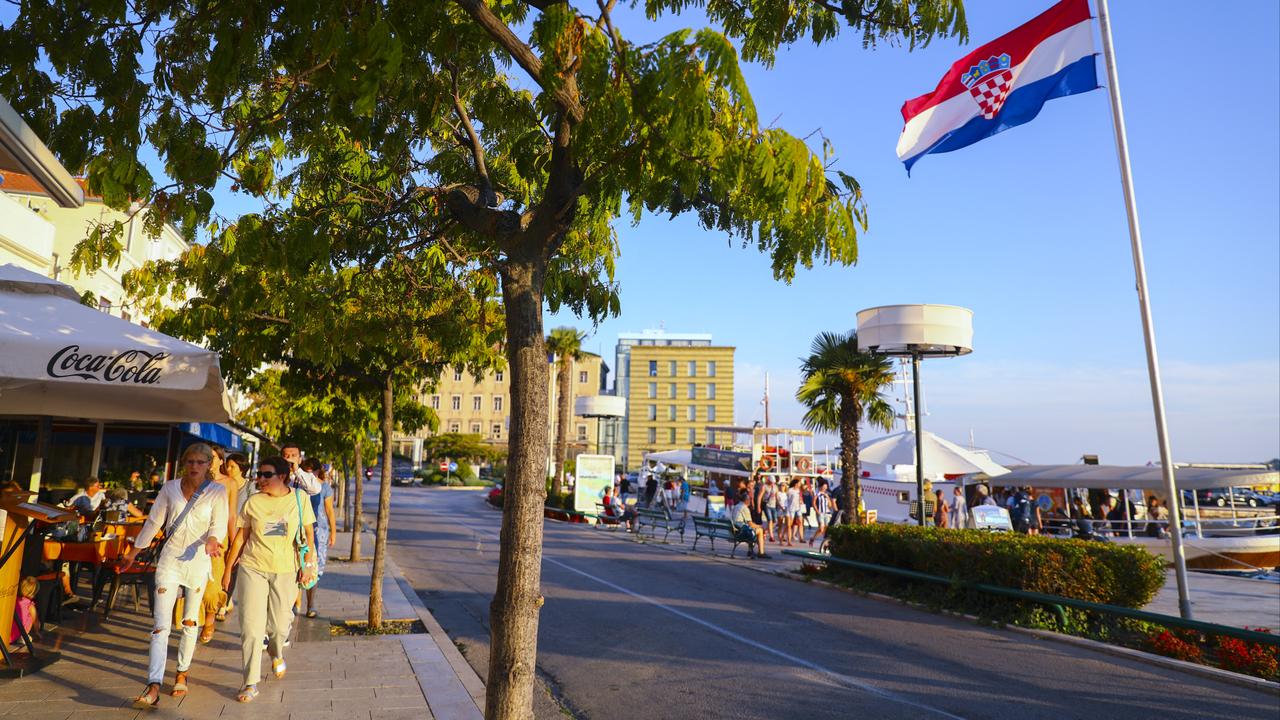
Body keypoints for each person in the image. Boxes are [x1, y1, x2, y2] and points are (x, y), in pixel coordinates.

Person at [121, 442, 228, 708]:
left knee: (190, 621)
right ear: (184, 463)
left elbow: (219, 523)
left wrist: (213, 540)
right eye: (190, 462)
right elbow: (154, 521)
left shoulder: (217, 491)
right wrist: (134, 552)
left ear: (208, 465)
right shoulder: (169, 488)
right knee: (160, 626)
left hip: (198, 561)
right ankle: (153, 683)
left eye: (200, 462)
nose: (194, 467)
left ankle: (182, 672)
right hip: (170, 560)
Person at [222, 455, 317, 703]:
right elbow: (241, 538)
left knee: (278, 626)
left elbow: (308, 534)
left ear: (282, 476)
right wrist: (228, 568)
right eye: (259, 474)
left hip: (286, 570)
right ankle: (250, 682)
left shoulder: (300, 498)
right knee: (252, 629)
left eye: (267, 475)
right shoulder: (253, 503)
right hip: (253, 567)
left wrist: (308, 565)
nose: (260, 479)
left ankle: (276, 653)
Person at [217, 452, 254, 622]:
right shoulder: (222, 484)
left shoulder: (250, 488)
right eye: (228, 465)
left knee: (232, 567)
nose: (228, 469)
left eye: (233, 466)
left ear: (242, 469)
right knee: (221, 566)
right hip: (221, 532)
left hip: (241, 534)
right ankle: (225, 599)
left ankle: (223, 604)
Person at [300, 458, 336, 619]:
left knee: (314, 567)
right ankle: (295, 604)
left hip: (319, 532)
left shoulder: (325, 488)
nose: (309, 474)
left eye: (312, 471)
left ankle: (310, 605)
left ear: (317, 471)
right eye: (306, 471)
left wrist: (333, 532)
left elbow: (329, 511)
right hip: (300, 530)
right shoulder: (298, 486)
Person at [729, 490, 769, 558]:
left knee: (752, 530)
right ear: (746, 500)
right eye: (749, 499)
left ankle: (750, 551)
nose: (750, 501)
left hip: (734, 531)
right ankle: (761, 552)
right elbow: (750, 524)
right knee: (760, 530)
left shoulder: (736, 506)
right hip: (740, 533)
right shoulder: (745, 508)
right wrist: (761, 526)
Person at [8, 577, 39, 650]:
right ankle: (23, 636)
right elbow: (36, 621)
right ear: (33, 593)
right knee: (32, 615)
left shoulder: (13, 600)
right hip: (17, 634)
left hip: (7, 633)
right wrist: (37, 632)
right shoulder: (30, 605)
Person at [809, 481, 833, 548]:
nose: (825, 488)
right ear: (821, 487)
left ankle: (825, 542)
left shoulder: (827, 494)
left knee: (826, 529)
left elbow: (830, 505)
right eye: (824, 486)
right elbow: (813, 503)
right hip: (820, 513)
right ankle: (813, 538)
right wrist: (817, 511)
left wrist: (827, 497)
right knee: (821, 528)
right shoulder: (817, 494)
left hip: (827, 513)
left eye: (826, 486)